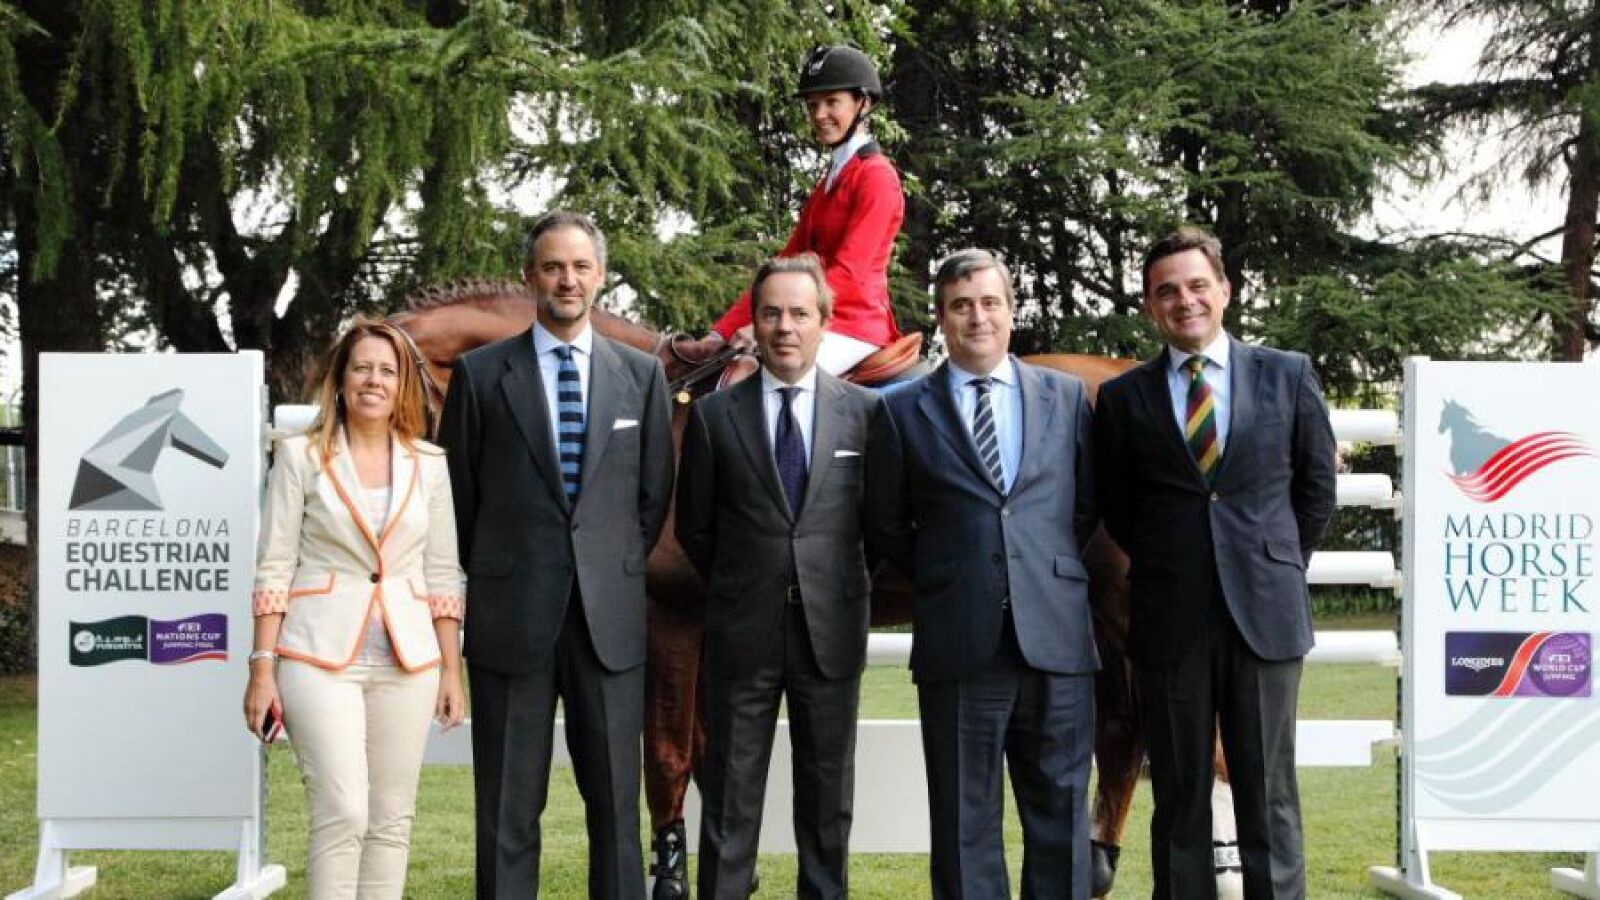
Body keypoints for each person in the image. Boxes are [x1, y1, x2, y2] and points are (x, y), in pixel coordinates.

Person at [1093, 226, 1337, 899]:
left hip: (1265, 616)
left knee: (1269, 794)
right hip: (1169, 622)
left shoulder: (1287, 375)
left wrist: (1269, 563)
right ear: (1150, 305)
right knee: (1178, 797)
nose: (1186, 300)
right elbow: (1117, 509)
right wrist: (1178, 565)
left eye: (1198, 285)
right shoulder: (1124, 399)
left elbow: (1316, 492)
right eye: (1167, 291)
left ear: (1224, 290)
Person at [436, 210, 674, 899]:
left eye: (579, 267)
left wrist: (601, 563)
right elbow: (460, 498)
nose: (567, 280)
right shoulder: (481, 376)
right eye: (552, 267)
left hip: (609, 623)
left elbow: (652, 496)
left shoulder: (642, 378)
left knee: (617, 812)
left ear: (600, 277)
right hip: (512, 619)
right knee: (507, 811)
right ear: (529, 277)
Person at [866, 249, 1099, 899]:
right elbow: (885, 523)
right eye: (961, 305)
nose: (978, 317)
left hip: (1055, 637)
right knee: (964, 825)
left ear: (1011, 311)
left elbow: (1085, 506)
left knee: (1061, 819)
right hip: (959, 639)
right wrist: (953, 573)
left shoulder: (1065, 398)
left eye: (990, 302)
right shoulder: (901, 410)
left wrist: (1038, 569)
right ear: (941, 318)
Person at [675, 254, 893, 899]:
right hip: (742, 632)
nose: (785, 326)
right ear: (756, 323)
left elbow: (880, 528)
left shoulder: (866, 412)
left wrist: (833, 583)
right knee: (729, 801)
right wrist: (749, 580)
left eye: (800, 313)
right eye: (771, 313)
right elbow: (696, 529)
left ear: (824, 321)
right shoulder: (715, 417)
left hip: (831, 632)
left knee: (827, 803)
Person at [243, 319, 467, 900]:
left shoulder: (430, 464)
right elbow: (273, 566)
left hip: (408, 661)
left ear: (402, 386)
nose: (374, 380)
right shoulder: (299, 456)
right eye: (362, 367)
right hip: (316, 656)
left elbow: (443, 573)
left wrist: (451, 669)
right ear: (341, 380)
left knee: (392, 820)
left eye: (387, 371)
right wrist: (262, 668)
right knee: (343, 810)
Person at [688, 44, 904, 376]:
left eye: (832, 102)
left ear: (863, 103)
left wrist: (774, 323)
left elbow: (849, 274)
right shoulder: (829, 182)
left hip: (853, 327)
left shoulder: (876, 177)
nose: (819, 115)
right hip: (808, 318)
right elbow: (781, 268)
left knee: (757, 375)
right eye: (813, 105)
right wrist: (720, 332)